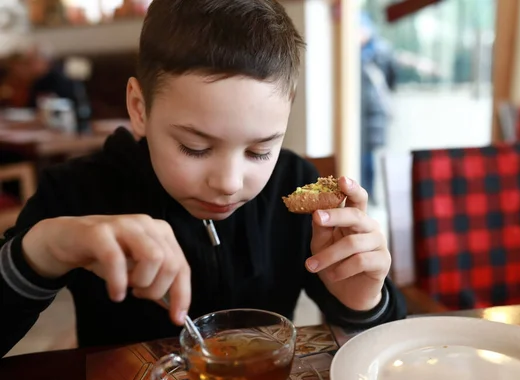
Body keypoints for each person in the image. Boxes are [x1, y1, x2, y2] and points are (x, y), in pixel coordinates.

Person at [0, 0, 406, 357]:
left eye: (259, 151)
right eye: (195, 148)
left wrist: (363, 301)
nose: (229, 182)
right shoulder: (80, 192)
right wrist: (43, 250)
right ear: (140, 108)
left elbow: (385, 352)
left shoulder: (294, 182)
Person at [360, 12, 397, 204]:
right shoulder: (359, 53)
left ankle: (371, 194)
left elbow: (391, 79)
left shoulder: (378, 51)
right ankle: (367, 193)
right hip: (363, 113)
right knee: (365, 156)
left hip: (374, 113)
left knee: (370, 156)